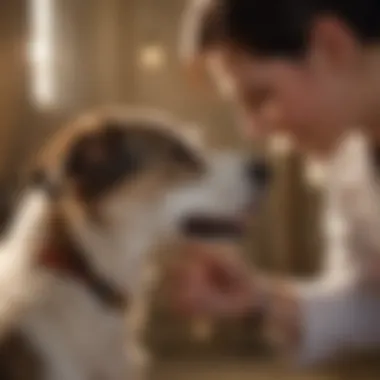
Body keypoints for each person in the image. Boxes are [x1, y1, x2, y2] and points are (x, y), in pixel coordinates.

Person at [171, 0, 380, 367]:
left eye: (260, 97)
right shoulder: (349, 160)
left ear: (332, 46)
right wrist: (260, 302)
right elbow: (371, 307)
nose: (254, 130)